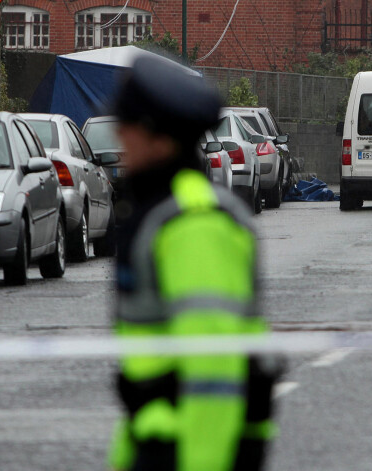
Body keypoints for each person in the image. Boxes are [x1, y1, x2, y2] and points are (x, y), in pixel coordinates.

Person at [107, 56, 280, 471]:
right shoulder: (160, 208)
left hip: (192, 450)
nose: (119, 134)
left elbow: (213, 372)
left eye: (127, 124)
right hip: (162, 441)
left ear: (158, 139)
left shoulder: (193, 223)